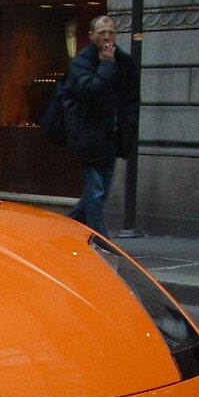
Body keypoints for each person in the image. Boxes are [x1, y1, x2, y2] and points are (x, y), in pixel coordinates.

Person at [62, 14, 138, 238]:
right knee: (95, 191)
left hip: (112, 135)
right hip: (88, 136)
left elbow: (130, 96)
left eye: (111, 32)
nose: (107, 37)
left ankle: (66, 227)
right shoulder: (80, 64)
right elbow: (91, 92)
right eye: (102, 33)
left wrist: (128, 124)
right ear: (91, 35)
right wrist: (105, 65)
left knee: (100, 192)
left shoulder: (123, 61)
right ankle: (99, 238)